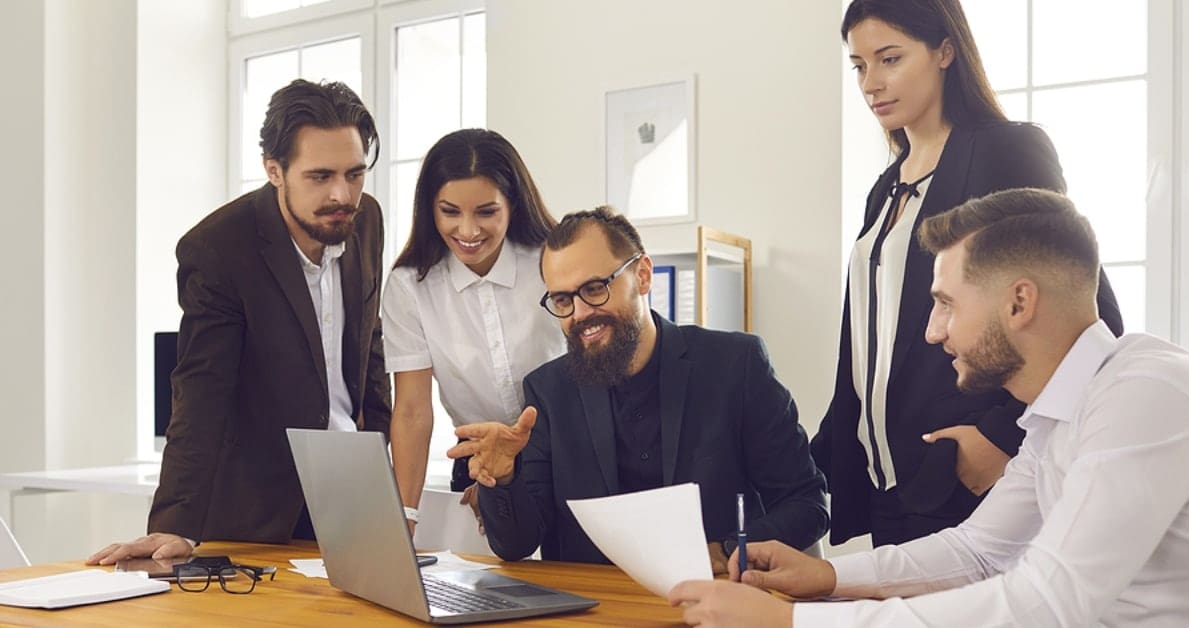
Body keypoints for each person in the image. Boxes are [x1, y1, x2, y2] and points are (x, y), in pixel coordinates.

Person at [668, 188, 1189, 626]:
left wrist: (788, 623)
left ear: (1019, 303)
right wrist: (829, 579)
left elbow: (1047, 601)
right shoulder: (1055, 412)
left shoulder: (1146, 391)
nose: (932, 331)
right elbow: (979, 552)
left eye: (946, 303)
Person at [812, 0, 1123, 548]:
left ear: (945, 52)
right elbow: (871, 345)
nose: (871, 84)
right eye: (859, 66)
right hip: (890, 482)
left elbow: (1088, 312)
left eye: (890, 59)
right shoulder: (884, 189)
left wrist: (1001, 436)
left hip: (968, 474)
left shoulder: (1004, 151)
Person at [88, 79, 391, 565]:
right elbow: (201, 387)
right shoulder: (219, 248)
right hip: (257, 506)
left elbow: (369, 345)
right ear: (275, 170)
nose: (342, 194)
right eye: (319, 177)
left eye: (354, 174)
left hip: (351, 495)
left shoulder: (365, 220)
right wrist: (174, 521)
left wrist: (383, 465)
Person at [447, 207, 829, 572]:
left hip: (716, 598)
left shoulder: (734, 365)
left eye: (595, 289)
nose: (579, 314)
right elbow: (516, 545)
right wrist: (504, 478)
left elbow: (807, 505)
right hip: (597, 613)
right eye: (562, 300)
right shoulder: (548, 392)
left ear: (642, 275)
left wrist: (727, 550)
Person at [382, 128, 563, 535]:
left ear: (512, 205)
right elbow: (412, 411)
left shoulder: (550, 262)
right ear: (429, 208)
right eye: (450, 211)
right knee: (485, 588)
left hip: (565, 453)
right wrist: (404, 520)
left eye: (486, 212)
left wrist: (513, 470)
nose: (467, 231)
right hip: (478, 466)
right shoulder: (410, 285)